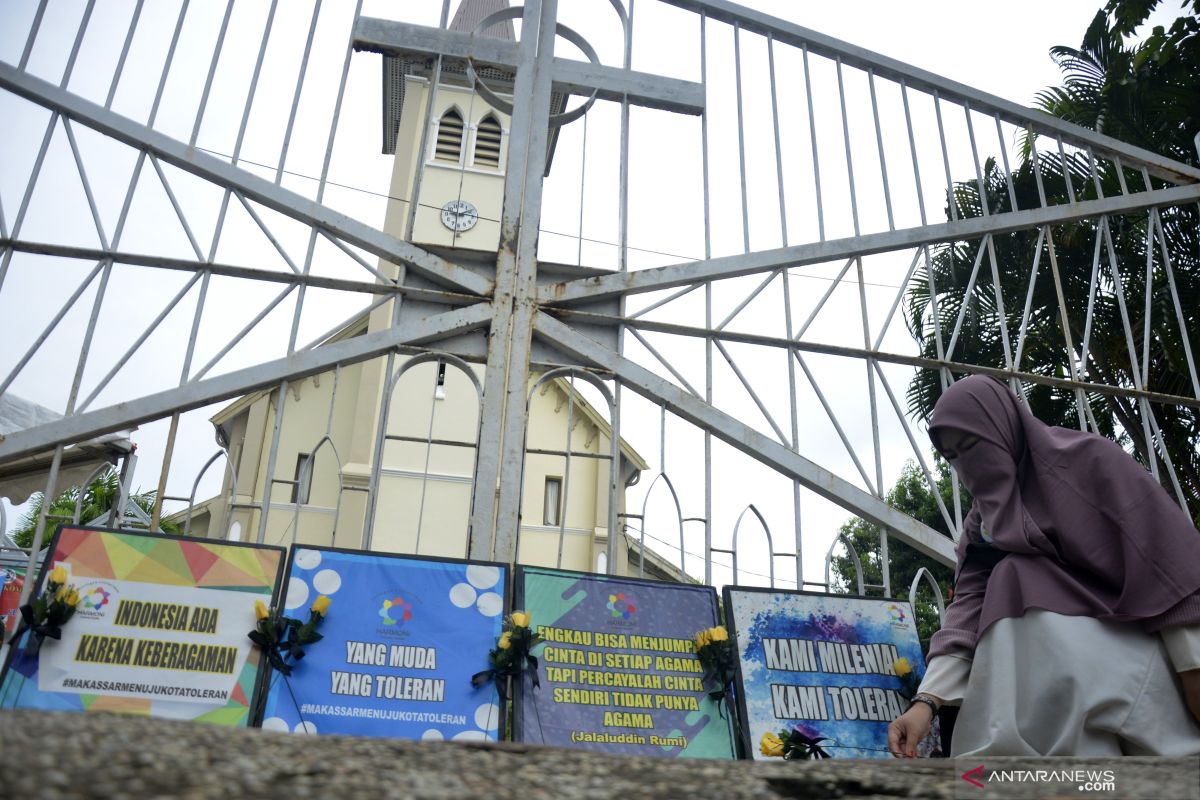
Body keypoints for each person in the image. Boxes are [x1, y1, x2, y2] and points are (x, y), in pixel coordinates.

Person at [888, 375, 1200, 757]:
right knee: (1007, 578)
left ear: (1002, 426)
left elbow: (1167, 566)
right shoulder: (983, 527)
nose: (966, 465)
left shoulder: (1089, 465)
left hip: (1136, 680)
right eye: (952, 456)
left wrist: (1193, 668)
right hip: (1047, 705)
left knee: (1017, 575)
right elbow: (966, 613)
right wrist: (926, 703)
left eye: (970, 444)